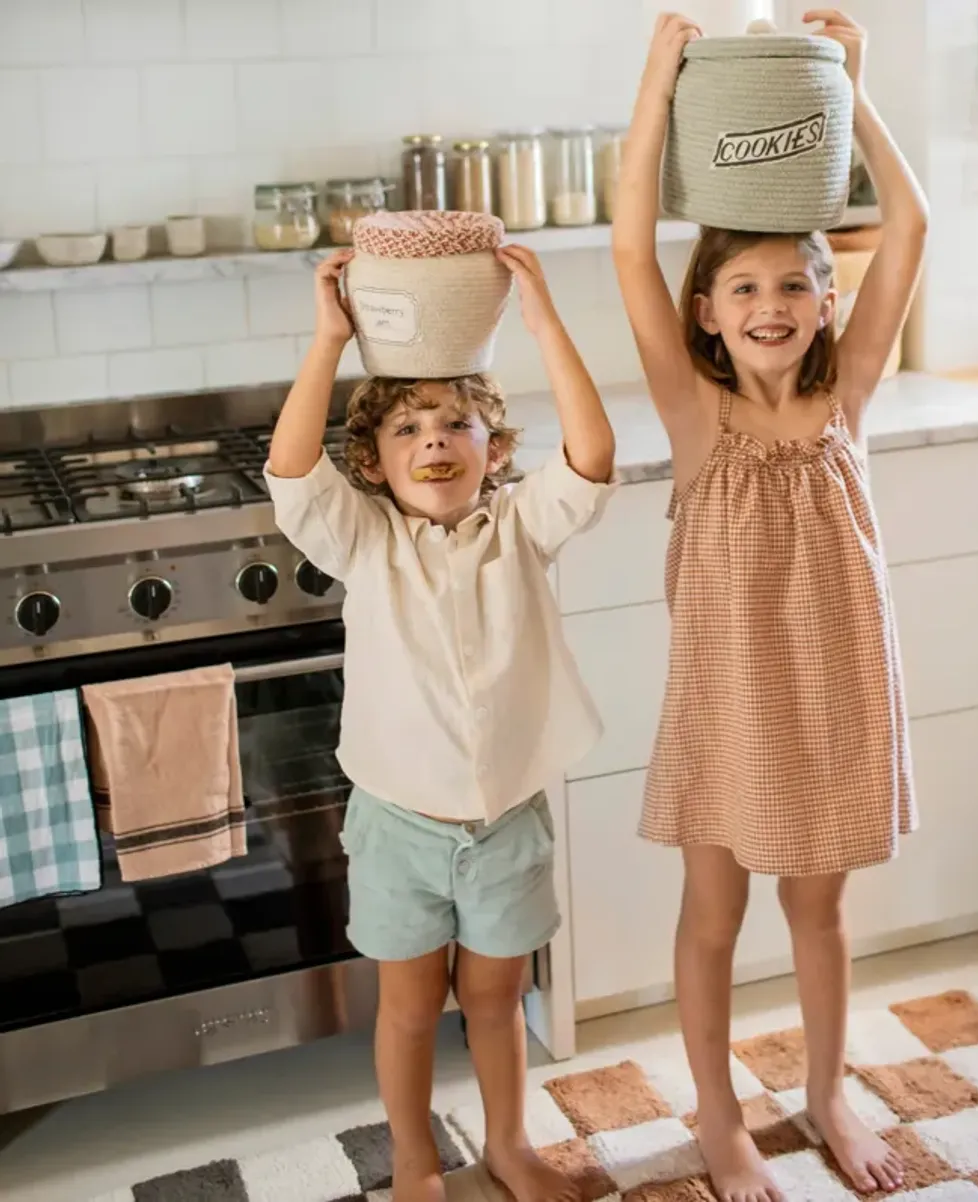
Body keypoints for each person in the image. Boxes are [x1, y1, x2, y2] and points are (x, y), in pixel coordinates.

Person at [613, 9, 928, 1198]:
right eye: (743, 284)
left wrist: (852, 84)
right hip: (727, 701)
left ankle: (829, 1091)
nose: (772, 301)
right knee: (711, 915)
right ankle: (716, 1115)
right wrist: (657, 82)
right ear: (707, 310)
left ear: (828, 300)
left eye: (796, 281)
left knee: (821, 914)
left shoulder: (849, 399)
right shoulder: (698, 422)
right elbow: (633, 247)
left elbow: (911, 223)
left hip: (838, 694)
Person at [266, 243, 615, 1202]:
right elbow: (291, 474)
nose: (434, 441)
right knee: (412, 1008)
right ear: (374, 465)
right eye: (410, 428)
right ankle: (416, 1161)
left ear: (493, 451)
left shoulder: (522, 527)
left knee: (499, 1003)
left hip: (505, 821)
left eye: (456, 423)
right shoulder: (366, 543)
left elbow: (593, 457)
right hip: (399, 827)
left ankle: (510, 1147)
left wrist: (545, 327)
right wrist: (328, 341)